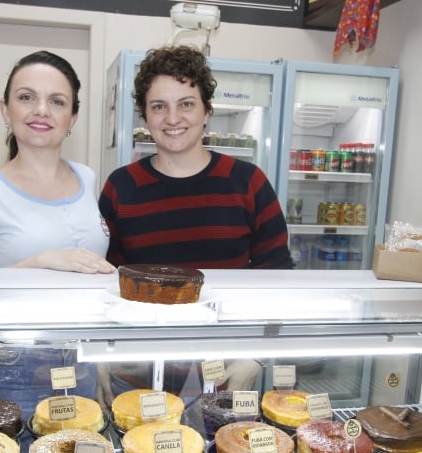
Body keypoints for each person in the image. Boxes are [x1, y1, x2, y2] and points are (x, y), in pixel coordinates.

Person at [97, 45, 293, 410]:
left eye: (186, 103)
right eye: (159, 106)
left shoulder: (248, 183)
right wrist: (101, 357)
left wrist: (256, 357)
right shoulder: (120, 187)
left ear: (207, 112)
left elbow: (279, 283)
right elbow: (107, 284)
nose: (173, 118)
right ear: (144, 114)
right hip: (138, 374)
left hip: (229, 372)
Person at [0, 50, 114, 432]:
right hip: (13, 365)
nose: (41, 110)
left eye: (56, 101)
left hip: (80, 355)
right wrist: (40, 261)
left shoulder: (86, 177)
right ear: (5, 110)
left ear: (72, 118)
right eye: (26, 97)